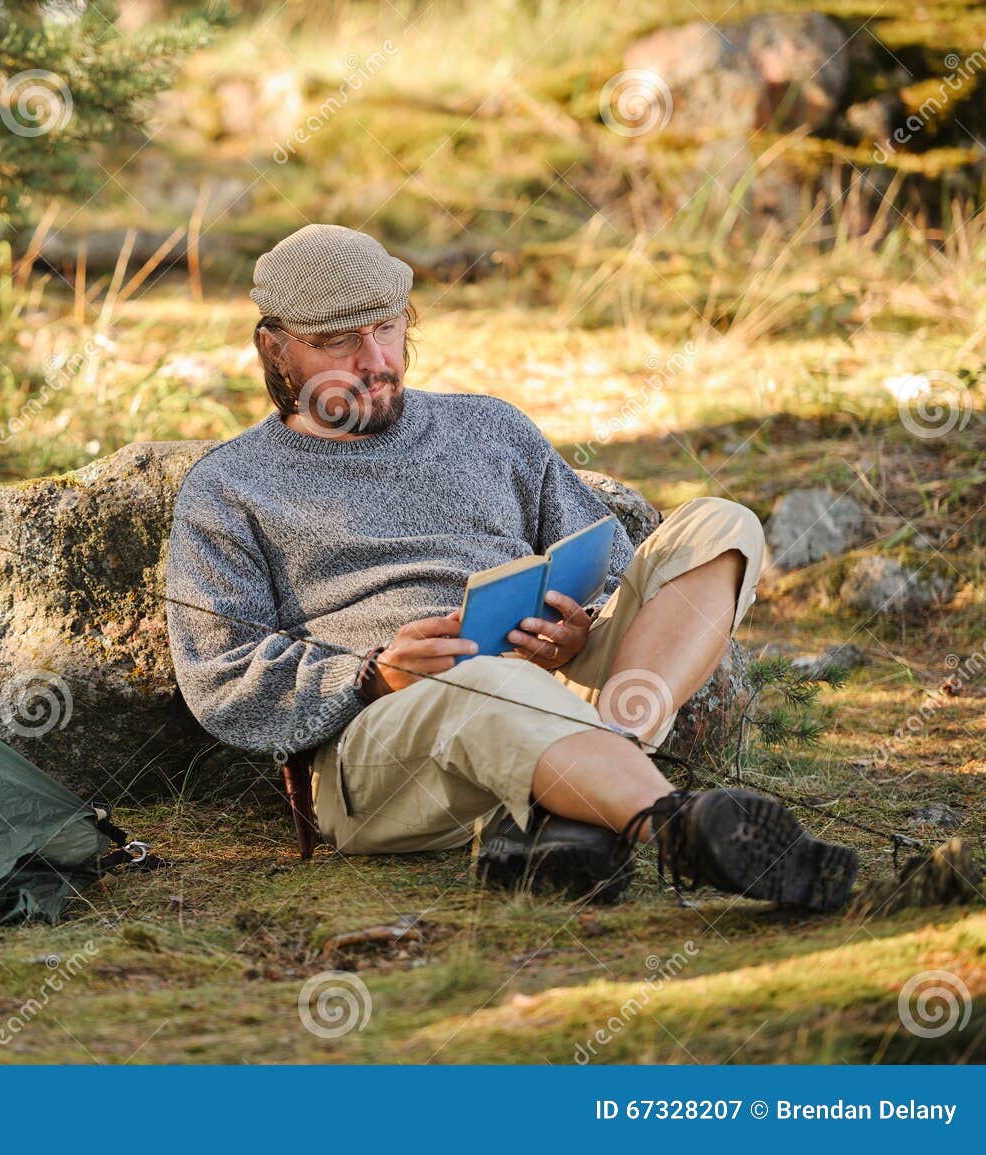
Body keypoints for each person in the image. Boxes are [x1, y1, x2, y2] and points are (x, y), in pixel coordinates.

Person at [164, 223, 857, 910]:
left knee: (720, 524)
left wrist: (578, 631)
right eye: (338, 341)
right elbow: (219, 674)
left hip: (548, 688)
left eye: (388, 327)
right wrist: (369, 675)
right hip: (378, 752)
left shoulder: (490, 429)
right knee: (486, 680)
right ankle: (677, 826)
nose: (375, 358)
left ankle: (589, 784)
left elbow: (614, 569)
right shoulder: (228, 488)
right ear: (275, 348)